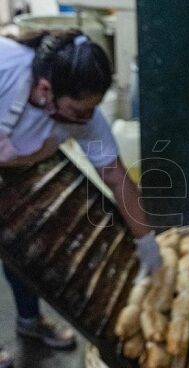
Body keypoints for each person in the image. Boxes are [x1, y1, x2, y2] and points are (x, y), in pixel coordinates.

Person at [0, 30, 162, 367]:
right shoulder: (6, 68)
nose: (86, 120)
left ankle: (30, 324)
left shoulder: (81, 118)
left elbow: (117, 179)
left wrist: (146, 241)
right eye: (78, 110)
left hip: (14, 176)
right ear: (45, 89)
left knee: (21, 251)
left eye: (92, 110)